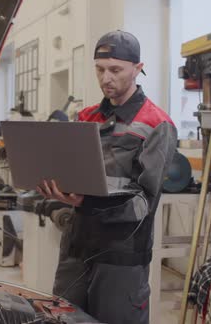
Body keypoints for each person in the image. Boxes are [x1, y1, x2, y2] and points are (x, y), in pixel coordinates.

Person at [37, 30, 177, 324]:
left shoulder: (157, 125)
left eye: (115, 70)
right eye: (100, 69)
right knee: (61, 319)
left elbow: (144, 203)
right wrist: (56, 190)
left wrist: (89, 200)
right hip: (76, 248)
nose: (105, 78)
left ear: (137, 69)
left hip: (121, 257)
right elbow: (69, 172)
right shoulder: (86, 118)